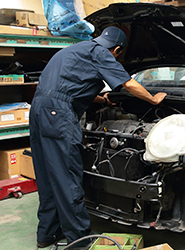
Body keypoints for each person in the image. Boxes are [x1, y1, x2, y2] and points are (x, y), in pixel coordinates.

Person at [29, 26, 167, 249]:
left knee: (48, 177)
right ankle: (80, 239)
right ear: (117, 50)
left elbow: (71, 87)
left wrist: (103, 101)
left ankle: (47, 234)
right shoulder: (101, 53)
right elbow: (128, 83)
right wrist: (153, 100)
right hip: (59, 115)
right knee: (67, 179)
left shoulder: (77, 49)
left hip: (38, 111)